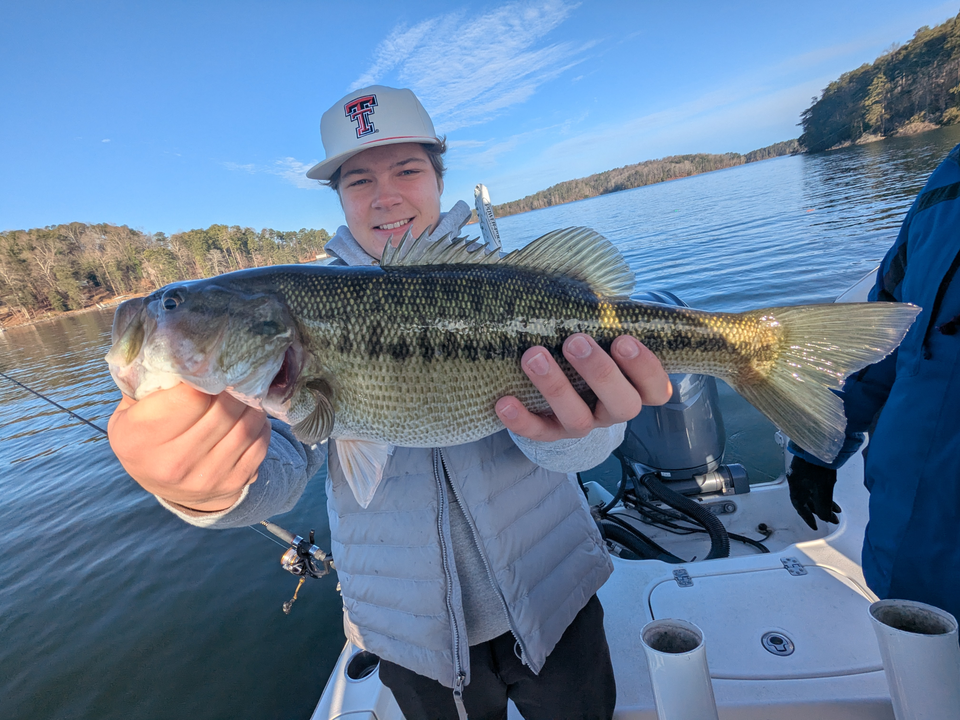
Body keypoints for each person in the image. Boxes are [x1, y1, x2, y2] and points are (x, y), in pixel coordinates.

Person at [108, 85, 673, 719]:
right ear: (339, 199)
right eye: (357, 181)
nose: (385, 195)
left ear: (438, 177)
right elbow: (279, 472)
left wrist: (585, 430)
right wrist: (203, 486)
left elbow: (582, 448)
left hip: (555, 592)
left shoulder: (512, 285)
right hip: (410, 636)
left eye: (408, 169)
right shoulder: (287, 353)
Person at [787, 142, 960, 622]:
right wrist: (818, 452)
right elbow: (885, 332)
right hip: (905, 540)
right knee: (918, 678)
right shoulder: (944, 181)